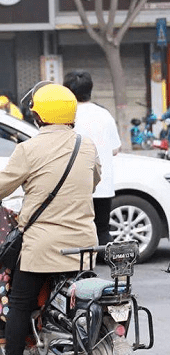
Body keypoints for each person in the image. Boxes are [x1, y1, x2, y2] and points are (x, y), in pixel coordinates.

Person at [0, 82, 101, 355]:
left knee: (20, 302)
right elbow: (93, 181)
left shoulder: (28, 148)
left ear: (38, 117)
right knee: (79, 296)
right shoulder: (87, 145)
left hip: (41, 247)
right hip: (83, 246)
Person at [64, 70, 122, 246]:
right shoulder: (104, 114)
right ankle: (115, 268)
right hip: (103, 185)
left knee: (75, 232)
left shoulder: (66, 115)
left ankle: (82, 268)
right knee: (102, 231)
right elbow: (115, 149)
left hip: (74, 186)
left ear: (67, 91)